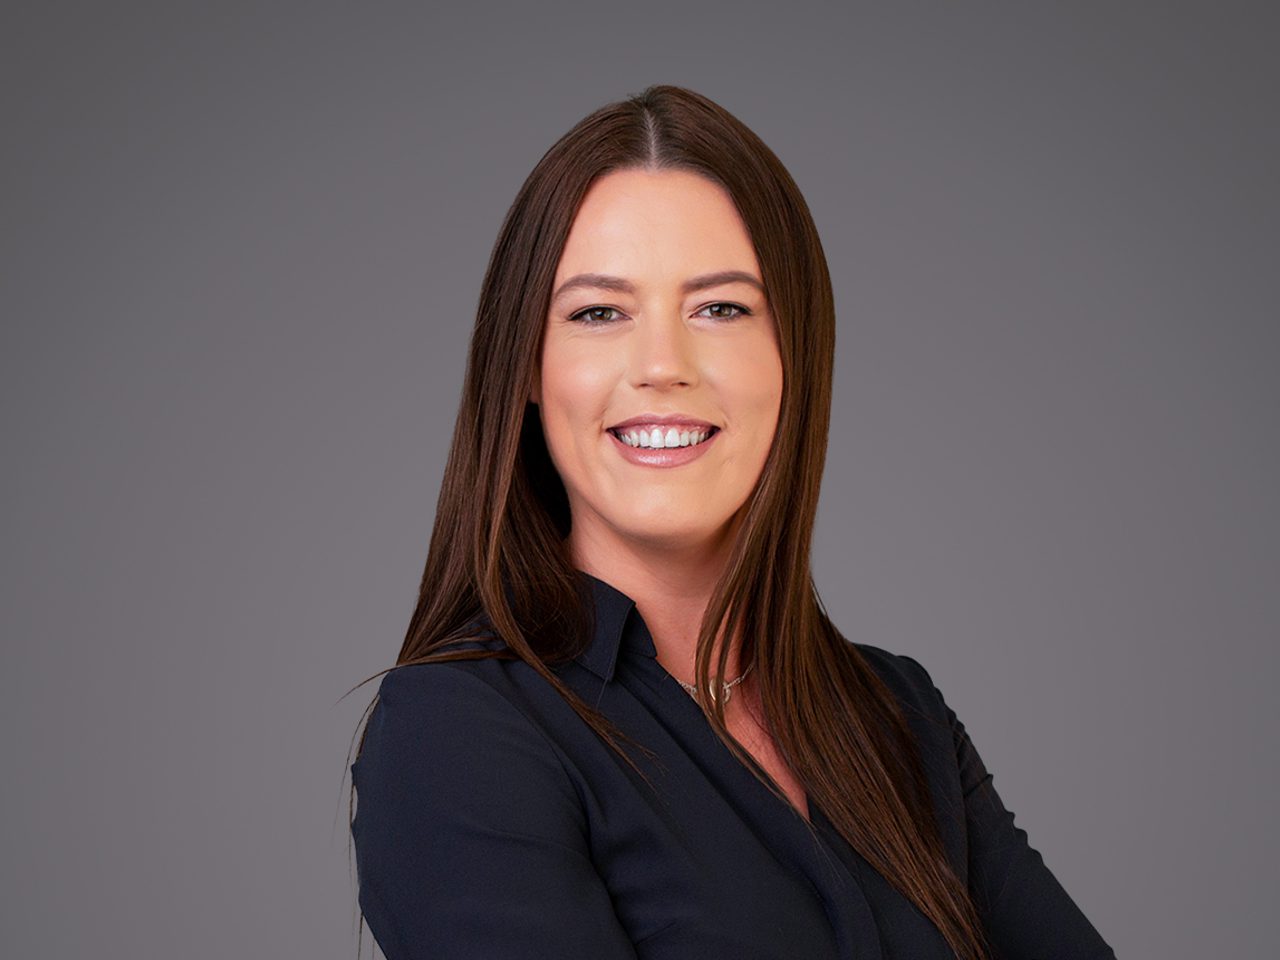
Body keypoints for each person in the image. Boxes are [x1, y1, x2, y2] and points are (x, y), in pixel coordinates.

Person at [346, 84, 1116, 960]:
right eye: (599, 312)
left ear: (794, 354)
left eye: (720, 308)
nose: (663, 365)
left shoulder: (901, 717)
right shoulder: (457, 732)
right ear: (527, 365)